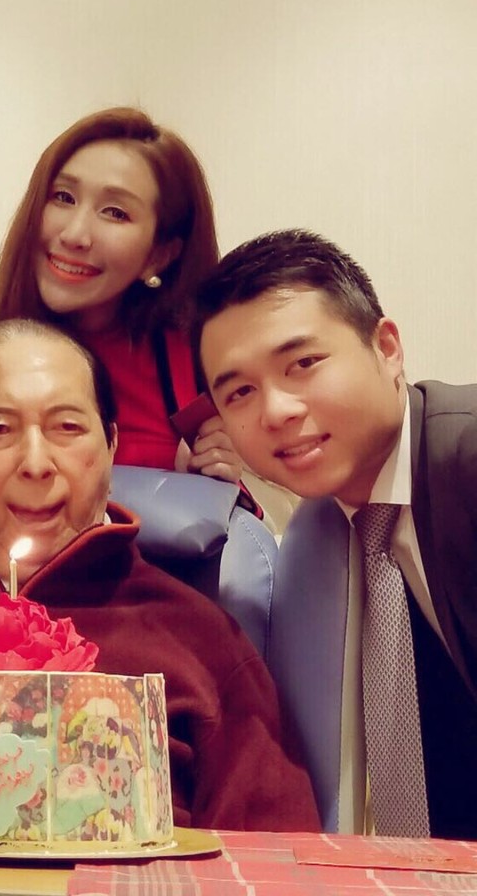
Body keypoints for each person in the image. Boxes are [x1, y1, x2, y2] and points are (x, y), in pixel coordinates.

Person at [0, 318, 320, 831]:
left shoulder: (198, 638)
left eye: (67, 428)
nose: (36, 463)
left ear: (112, 445)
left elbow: (272, 853)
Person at [194, 228, 477, 839]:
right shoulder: (321, 536)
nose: (277, 410)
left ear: (387, 348)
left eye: (303, 364)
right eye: (240, 392)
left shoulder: (467, 459)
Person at [0, 107, 243, 483]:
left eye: (115, 213)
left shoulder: (197, 362)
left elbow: (241, 510)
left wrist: (210, 477)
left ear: (159, 255)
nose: (74, 235)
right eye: (63, 197)